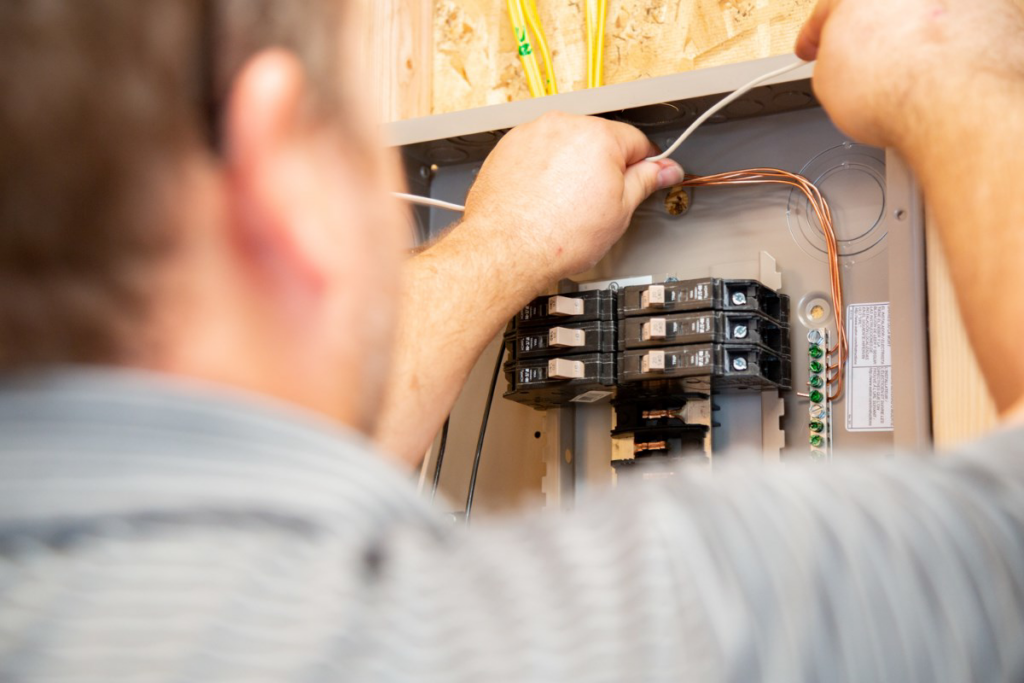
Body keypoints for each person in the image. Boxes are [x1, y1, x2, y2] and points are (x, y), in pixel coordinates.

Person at [0, 0, 1021, 679]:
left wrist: (507, 243)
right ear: (283, 185)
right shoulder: (657, 611)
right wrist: (944, 68)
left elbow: (258, 468)